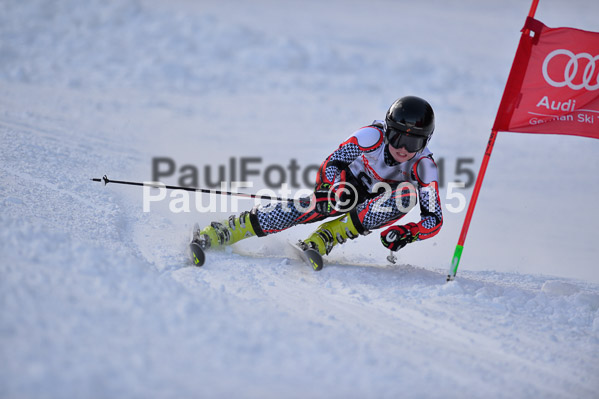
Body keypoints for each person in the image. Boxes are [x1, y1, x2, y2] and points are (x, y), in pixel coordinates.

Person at [193, 96, 443, 262]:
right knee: (316, 206)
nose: (404, 149)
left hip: (378, 202)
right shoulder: (370, 137)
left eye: (414, 142)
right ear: (388, 131)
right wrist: (331, 187)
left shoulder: (424, 166)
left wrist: (409, 232)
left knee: (406, 197)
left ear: (426, 142)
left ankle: (326, 237)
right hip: (345, 184)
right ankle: (227, 230)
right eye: (398, 138)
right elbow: (332, 162)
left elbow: (434, 219)